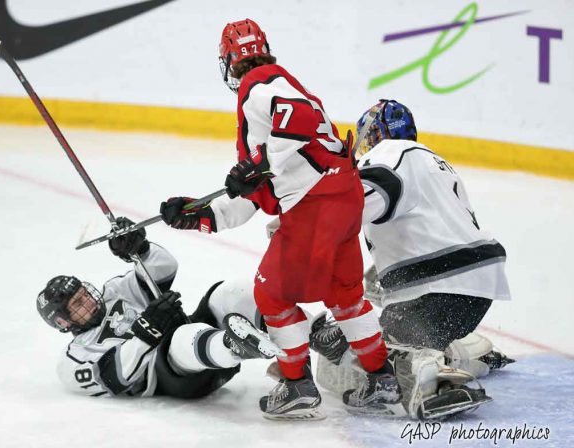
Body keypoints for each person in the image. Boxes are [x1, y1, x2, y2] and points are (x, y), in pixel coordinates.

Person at [159, 19, 399, 420]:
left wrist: (258, 162)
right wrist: (198, 216)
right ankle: (382, 378)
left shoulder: (260, 82)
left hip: (316, 204)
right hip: (342, 196)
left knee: (270, 294)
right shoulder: (276, 91)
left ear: (228, 62)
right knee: (345, 296)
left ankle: (296, 385)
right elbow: (258, 193)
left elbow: (298, 118)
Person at [309, 99, 513, 417]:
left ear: (376, 134)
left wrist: (307, 220)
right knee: (396, 318)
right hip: (475, 282)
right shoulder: (433, 161)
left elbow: (359, 202)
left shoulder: (387, 154)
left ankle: (431, 380)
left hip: (438, 285)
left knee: (348, 353)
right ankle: (470, 354)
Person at [37, 217, 281, 400]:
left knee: (231, 291)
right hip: (174, 377)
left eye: (85, 294)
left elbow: (165, 267)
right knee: (182, 338)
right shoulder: (73, 358)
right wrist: (148, 331)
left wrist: (140, 249)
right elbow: (115, 377)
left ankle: (310, 333)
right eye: (78, 303)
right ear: (62, 322)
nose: (89, 300)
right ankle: (233, 345)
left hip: (200, 343)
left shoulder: (114, 292)